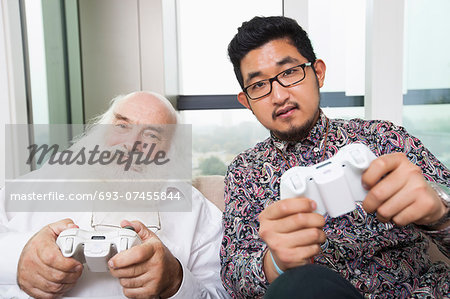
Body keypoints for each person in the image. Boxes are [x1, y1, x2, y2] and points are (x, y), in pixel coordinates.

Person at [221, 16, 449, 298]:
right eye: (258, 86)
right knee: (301, 285)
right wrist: (275, 263)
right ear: (246, 101)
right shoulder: (244, 172)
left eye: (290, 72)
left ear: (318, 72)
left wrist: (440, 214)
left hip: (419, 291)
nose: (278, 96)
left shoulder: (383, 137)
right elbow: (233, 276)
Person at [0, 91, 229, 298]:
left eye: (152, 136)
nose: (131, 145)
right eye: (122, 126)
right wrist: (18, 259)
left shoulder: (197, 211)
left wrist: (176, 282)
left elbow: (222, 293)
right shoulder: (41, 184)